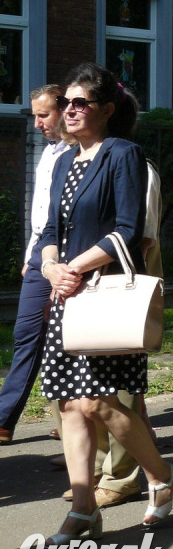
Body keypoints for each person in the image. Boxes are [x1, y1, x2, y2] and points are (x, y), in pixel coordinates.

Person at [38, 62, 173, 542]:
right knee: (68, 406)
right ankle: (83, 510)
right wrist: (50, 266)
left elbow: (127, 230)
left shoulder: (123, 153)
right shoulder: (63, 160)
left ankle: (160, 477)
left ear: (105, 110)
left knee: (100, 403)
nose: (71, 110)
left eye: (81, 103)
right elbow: (48, 233)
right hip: (66, 293)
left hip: (101, 295)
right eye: (68, 103)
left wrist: (75, 269)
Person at [0, 85, 71, 446]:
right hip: (40, 255)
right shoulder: (48, 153)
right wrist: (33, 257)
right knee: (27, 334)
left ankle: (70, 418)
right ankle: (5, 417)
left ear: (63, 111)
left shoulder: (75, 154)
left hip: (66, 257)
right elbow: (41, 215)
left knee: (66, 340)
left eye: (44, 115)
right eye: (35, 116)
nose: (38, 123)